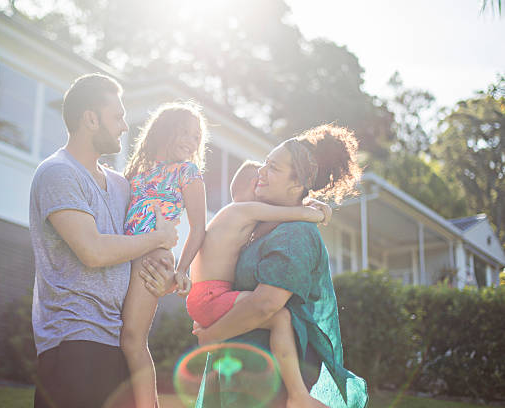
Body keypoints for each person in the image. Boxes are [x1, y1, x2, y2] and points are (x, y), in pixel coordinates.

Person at [29, 73, 179, 408]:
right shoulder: (58, 173)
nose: (125, 126)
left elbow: (142, 249)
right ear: (91, 119)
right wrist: (160, 237)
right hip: (74, 345)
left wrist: (166, 274)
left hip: (117, 344)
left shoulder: (122, 186)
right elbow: (93, 251)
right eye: (118, 117)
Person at [192, 124, 369, 408]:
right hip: (239, 375)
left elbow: (266, 304)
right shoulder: (260, 224)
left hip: (270, 383)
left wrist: (212, 335)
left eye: (272, 168)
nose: (261, 171)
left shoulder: (294, 234)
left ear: (297, 184)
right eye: (265, 162)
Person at [182, 160, 332, 407]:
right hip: (212, 295)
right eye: (263, 180)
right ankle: (298, 395)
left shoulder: (233, 218)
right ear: (256, 185)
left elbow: (276, 221)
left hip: (204, 296)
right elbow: (293, 215)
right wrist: (319, 211)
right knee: (281, 318)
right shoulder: (243, 211)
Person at [121, 102, 208, 408]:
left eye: (196, 137)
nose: (191, 140)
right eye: (184, 132)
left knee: (132, 339)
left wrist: (182, 271)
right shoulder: (136, 171)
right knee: (115, 336)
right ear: (163, 131)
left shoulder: (188, 171)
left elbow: (199, 228)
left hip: (154, 258)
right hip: (122, 254)